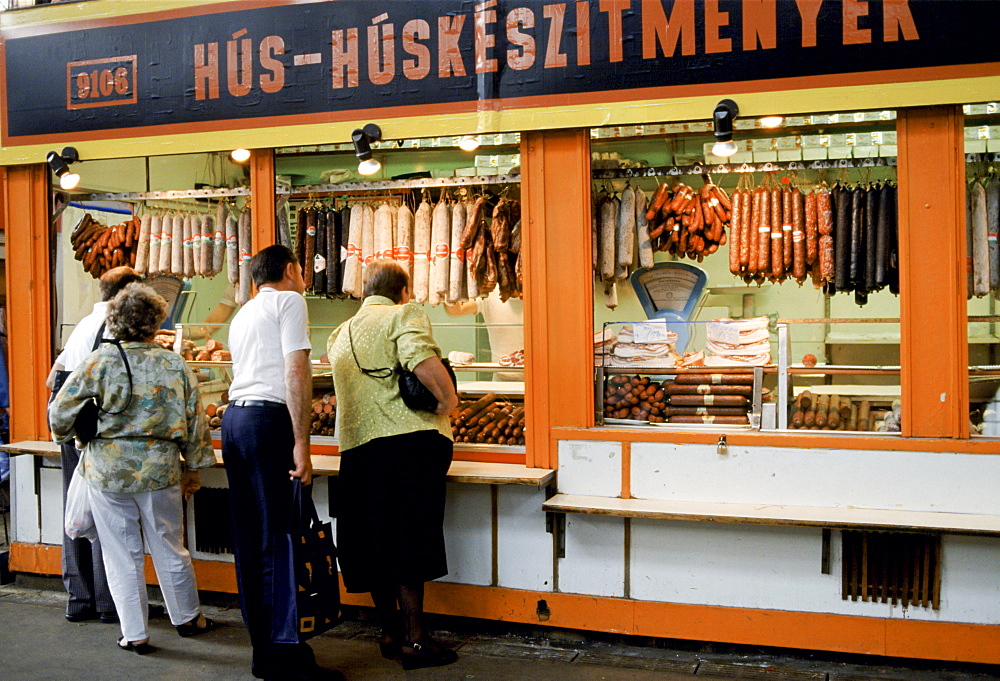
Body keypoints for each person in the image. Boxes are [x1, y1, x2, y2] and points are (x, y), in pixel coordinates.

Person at [48, 282, 218, 654]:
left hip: (108, 472)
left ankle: (135, 634)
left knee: (119, 553)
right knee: (170, 546)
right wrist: (195, 467)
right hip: (161, 470)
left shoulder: (100, 361)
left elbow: (59, 410)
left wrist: (74, 435)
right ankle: (188, 618)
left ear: (115, 320)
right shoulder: (173, 363)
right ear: (156, 320)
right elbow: (195, 421)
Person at [326, 259, 460, 670]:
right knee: (410, 541)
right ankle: (415, 641)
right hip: (409, 447)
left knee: (371, 543)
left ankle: (389, 633)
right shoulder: (405, 312)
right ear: (403, 291)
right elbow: (421, 358)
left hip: (356, 451)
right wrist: (449, 401)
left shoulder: (339, 332)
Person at [221, 245, 343, 681]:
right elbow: (296, 371)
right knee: (280, 539)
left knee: (251, 539)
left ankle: (265, 649)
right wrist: (302, 444)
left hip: (235, 421)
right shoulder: (289, 300)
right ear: (290, 269)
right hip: (268, 422)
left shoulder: (245, 312)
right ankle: (282, 657)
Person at [45, 265, 141, 624]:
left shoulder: (86, 322)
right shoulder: (114, 327)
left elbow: (51, 379)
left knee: (75, 508)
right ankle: (107, 601)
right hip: (94, 429)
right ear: (127, 293)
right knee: (104, 511)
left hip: (70, 426)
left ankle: (79, 597)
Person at [445, 288, 524, 381]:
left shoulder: (540, 295)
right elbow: (456, 310)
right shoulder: (490, 293)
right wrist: (450, 285)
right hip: (501, 380)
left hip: (539, 380)